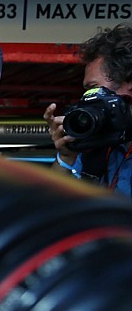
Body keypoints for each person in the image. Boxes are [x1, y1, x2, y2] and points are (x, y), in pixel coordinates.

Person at [44, 23, 132, 195]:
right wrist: (66, 157)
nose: (88, 99)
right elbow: (48, 209)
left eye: (94, 88)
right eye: (86, 91)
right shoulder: (95, 148)